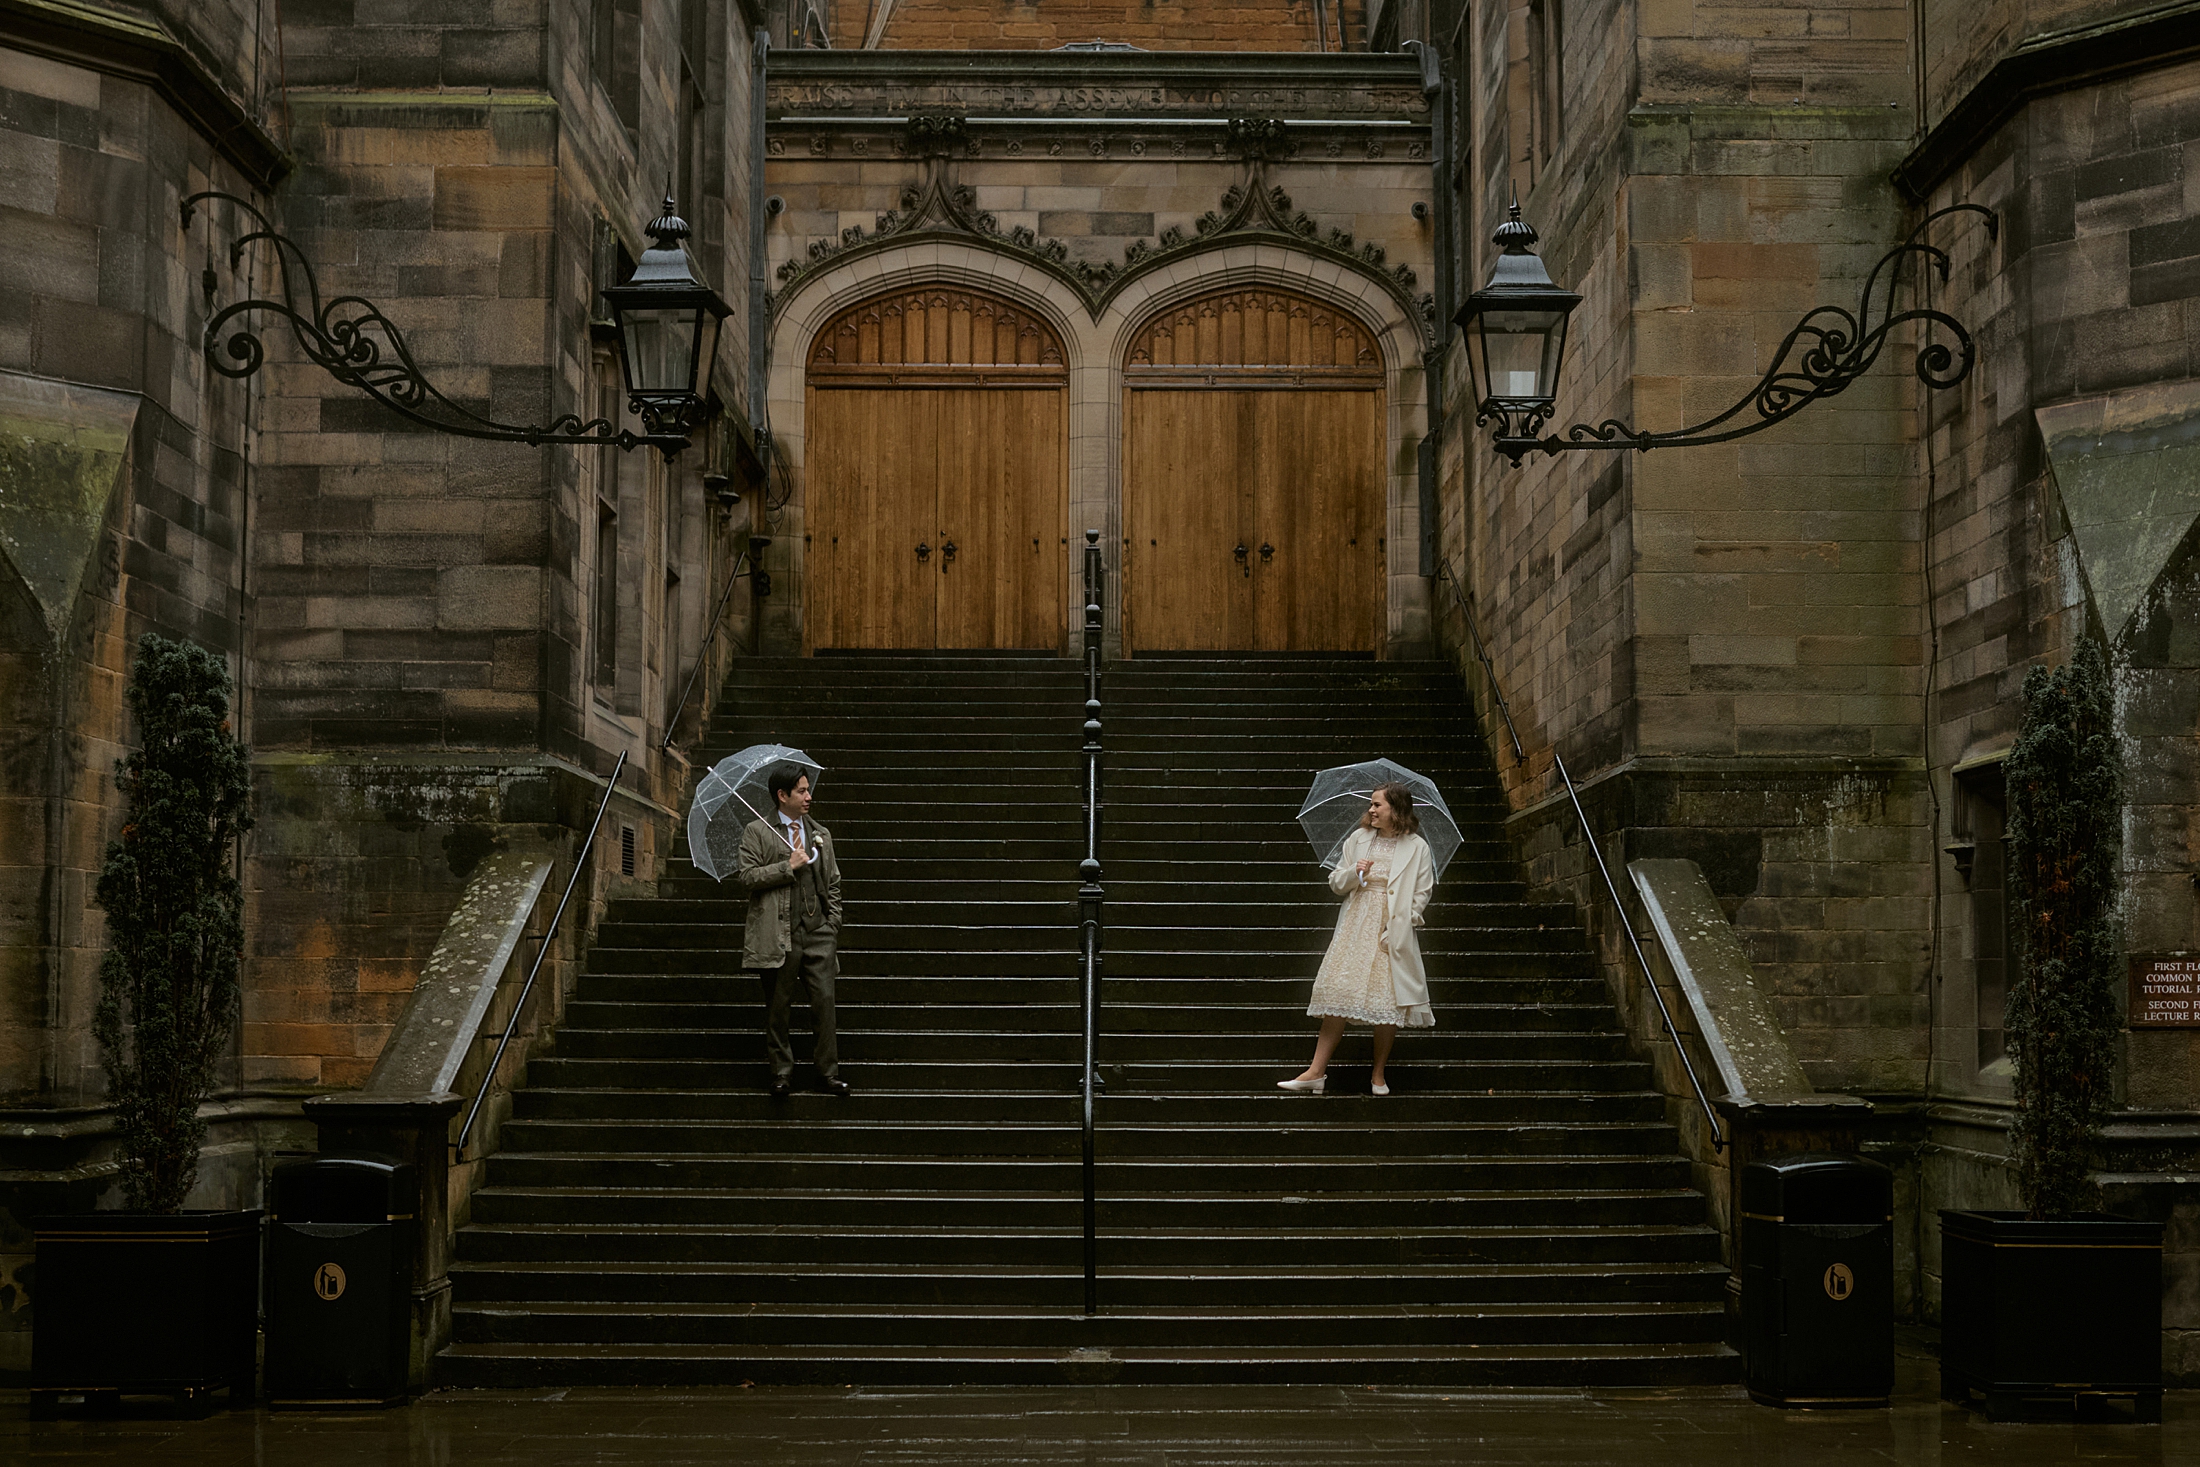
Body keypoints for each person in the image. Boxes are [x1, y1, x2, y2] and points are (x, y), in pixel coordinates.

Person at [1280, 782, 1435, 1096]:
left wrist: (1402, 927)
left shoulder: (1417, 846)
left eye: (1378, 805)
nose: (1372, 810)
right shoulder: (1359, 838)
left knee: (1387, 999)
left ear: (1397, 809)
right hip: (1355, 923)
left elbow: (1421, 894)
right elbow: (1337, 882)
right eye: (1372, 805)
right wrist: (1355, 872)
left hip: (1391, 928)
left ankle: (1378, 1075)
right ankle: (1315, 1072)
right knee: (1339, 994)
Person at [737, 766, 848, 1098]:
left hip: (818, 933)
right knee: (778, 1007)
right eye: (801, 791)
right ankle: (781, 1073)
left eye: (807, 790)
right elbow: (747, 877)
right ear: (782, 796)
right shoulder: (757, 831)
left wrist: (833, 923)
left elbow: (833, 882)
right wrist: (789, 866)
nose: (808, 796)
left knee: (824, 1004)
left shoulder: (820, 834)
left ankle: (828, 1073)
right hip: (779, 934)